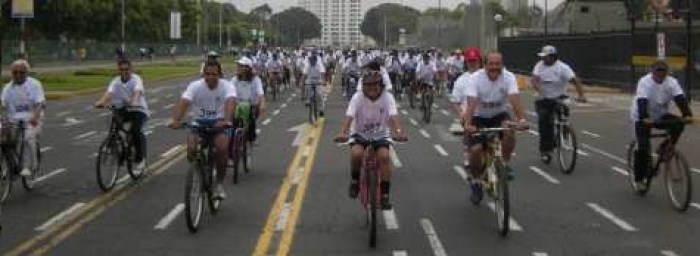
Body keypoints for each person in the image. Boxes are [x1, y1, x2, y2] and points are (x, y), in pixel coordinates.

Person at [334, 71, 408, 210]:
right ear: (363, 87)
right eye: (368, 85)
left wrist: (399, 132)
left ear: (381, 85)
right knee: (356, 154)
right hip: (359, 133)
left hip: (380, 134)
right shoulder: (357, 97)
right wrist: (342, 133)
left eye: (375, 85)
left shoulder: (388, 97)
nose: (371, 88)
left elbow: (393, 116)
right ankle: (355, 181)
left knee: (384, 157)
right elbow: (349, 116)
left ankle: (385, 196)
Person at [462, 52, 528, 204]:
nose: (494, 67)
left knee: (509, 131)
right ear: (484, 65)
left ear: (502, 65)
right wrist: (468, 124)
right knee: (476, 149)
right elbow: (471, 103)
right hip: (478, 117)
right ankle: (476, 181)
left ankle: (504, 164)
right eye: (491, 64)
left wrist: (522, 119)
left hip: (499, 115)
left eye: (498, 64)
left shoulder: (509, 77)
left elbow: (514, 99)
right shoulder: (475, 78)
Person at [169, 60, 236, 199]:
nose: (211, 77)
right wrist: (176, 120)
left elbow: (230, 102)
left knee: (222, 148)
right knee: (192, 149)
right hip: (199, 124)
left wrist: (227, 120)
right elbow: (184, 102)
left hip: (219, 124)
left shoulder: (227, 86)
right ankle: (199, 172)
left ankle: (218, 184)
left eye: (214, 74)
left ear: (220, 75)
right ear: (203, 74)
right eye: (208, 74)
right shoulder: (195, 86)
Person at [629, 60, 693, 191]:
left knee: (678, 124)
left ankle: (665, 148)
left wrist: (687, 114)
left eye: (663, 71)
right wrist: (644, 117)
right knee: (643, 147)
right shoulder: (645, 82)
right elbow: (642, 101)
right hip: (642, 116)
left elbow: (680, 98)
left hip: (660, 115)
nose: (660, 74)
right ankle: (639, 179)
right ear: (652, 71)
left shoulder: (672, 82)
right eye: (658, 71)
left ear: (667, 72)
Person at [530, 45, 587, 162]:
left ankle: (564, 132)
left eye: (545, 57)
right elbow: (534, 80)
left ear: (553, 57)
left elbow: (575, 80)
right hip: (544, 98)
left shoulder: (563, 68)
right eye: (542, 57)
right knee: (544, 122)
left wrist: (581, 95)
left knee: (564, 113)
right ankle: (545, 150)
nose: (543, 59)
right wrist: (539, 90)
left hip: (560, 97)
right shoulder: (539, 66)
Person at [94, 59, 150, 172]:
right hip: (122, 108)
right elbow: (109, 93)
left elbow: (137, 92)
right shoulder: (115, 81)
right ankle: (115, 148)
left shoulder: (136, 79)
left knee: (135, 130)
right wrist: (102, 102)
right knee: (114, 127)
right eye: (121, 70)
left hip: (138, 109)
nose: (124, 72)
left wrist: (134, 101)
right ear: (118, 70)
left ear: (131, 69)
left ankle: (140, 159)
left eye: (127, 69)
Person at [1, 59, 45, 177]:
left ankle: (29, 166)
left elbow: (40, 103)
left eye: (21, 72)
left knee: (27, 138)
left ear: (26, 73)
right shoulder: (8, 88)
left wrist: (35, 117)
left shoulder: (35, 84)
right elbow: (4, 107)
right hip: (13, 119)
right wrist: (4, 124)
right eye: (15, 73)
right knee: (4, 140)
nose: (18, 75)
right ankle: (10, 165)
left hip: (32, 117)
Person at [450, 47, 483, 168]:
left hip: (487, 114)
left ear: (480, 61)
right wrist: (461, 114)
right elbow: (455, 101)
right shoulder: (461, 80)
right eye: (470, 61)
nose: (473, 63)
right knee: (468, 131)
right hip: (470, 115)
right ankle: (467, 153)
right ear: (466, 63)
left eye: (475, 61)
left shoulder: (487, 76)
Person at [231, 57, 265, 144]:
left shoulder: (256, 80)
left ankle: (252, 137)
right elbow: (228, 91)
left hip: (252, 106)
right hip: (238, 106)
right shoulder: (235, 79)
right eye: (238, 65)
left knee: (251, 119)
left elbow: (260, 94)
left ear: (247, 68)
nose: (238, 67)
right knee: (231, 121)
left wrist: (262, 104)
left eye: (241, 66)